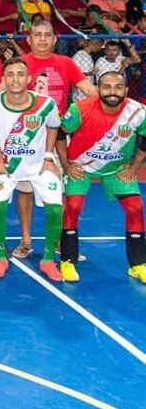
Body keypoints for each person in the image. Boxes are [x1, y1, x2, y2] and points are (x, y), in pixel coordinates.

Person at [15, 19, 97, 259]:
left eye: (47, 35)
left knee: (61, 190)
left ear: (54, 39)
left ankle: (61, 242)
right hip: (26, 136)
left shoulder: (66, 63)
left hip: (59, 136)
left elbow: (91, 92)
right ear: (29, 39)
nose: (42, 39)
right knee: (25, 189)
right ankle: (26, 240)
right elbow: (2, 93)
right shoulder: (20, 64)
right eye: (37, 35)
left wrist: (78, 114)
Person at [58, 71, 146, 284]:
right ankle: (68, 261)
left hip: (117, 169)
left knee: (135, 208)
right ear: (98, 89)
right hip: (81, 167)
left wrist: (134, 168)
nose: (112, 92)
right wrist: (66, 165)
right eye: (106, 87)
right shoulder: (80, 109)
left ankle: (138, 265)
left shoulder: (138, 112)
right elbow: (60, 133)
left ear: (126, 90)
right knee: (73, 206)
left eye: (118, 87)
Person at [0, 58, 63, 281]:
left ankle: (48, 259)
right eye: (10, 74)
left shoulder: (46, 103)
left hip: (39, 165)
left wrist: (48, 156)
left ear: (29, 78)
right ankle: (0, 257)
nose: (15, 79)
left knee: (56, 208)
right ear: (3, 79)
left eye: (20, 74)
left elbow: (53, 127)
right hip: (8, 166)